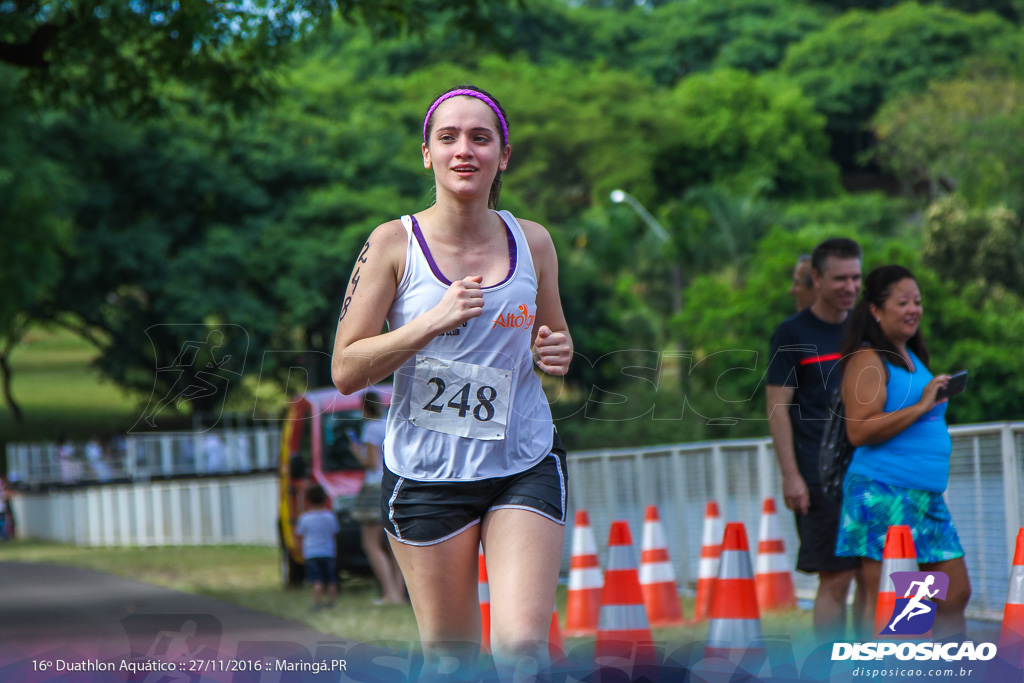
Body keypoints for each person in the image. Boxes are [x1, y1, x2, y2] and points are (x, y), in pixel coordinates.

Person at [330, 85, 572, 680]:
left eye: (480, 137)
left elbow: (553, 339)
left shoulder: (533, 240)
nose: (464, 149)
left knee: (520, 651)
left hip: (523, 461)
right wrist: (431, 321)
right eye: (449, 137)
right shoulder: (393, 244)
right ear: (427, 154)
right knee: (451, 660)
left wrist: (557, 351)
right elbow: (345, 370)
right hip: (427, 474)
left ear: (503, 156)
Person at [835, 264, 969, 640]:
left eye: (918, 302)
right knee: (898, 606)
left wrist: (932, 396)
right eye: (903, 302)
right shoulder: (866, 359)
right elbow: (858, 430)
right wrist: (922, 405)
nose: (913, 309)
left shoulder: (910, 355)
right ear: (876, 310)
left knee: (954, 595)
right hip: (883, 492)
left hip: (924, 497)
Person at [766, 237, 866, 640]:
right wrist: (792, 475)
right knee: (837, 578)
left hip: (870, 469)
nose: (850, 286)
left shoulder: (867, 328)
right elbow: (776, 410)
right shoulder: (791, 333)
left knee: (872, 576)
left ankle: (865, 660)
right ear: (817, 279)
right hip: (818, 474)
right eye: (840, 278)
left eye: (856, 277)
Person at [348, 390, 407, 605]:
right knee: (393, 543)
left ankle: (389, 593)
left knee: (371, 543)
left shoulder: (371, 428)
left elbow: (372, 464)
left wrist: (356, 451)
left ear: (365, 407)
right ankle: (399, 594)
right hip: (393, 484)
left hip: (374, 487)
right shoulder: (389, 424)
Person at [294, 484, 340, 610]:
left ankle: (318, 604)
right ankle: (332, 603)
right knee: (331, 580)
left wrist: (299, 550)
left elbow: (299, 535)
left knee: (316, 580)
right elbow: (334, 532)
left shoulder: (304, 518)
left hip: (311, 553)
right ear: (325, 499)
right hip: (328, 552)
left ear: (307, 500)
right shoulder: (330, 516)